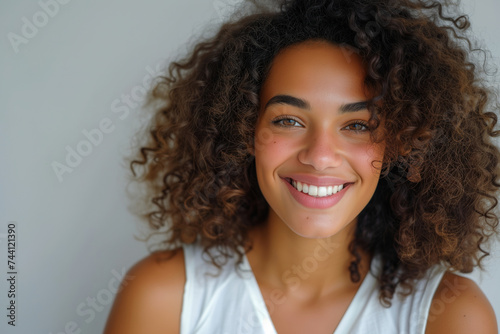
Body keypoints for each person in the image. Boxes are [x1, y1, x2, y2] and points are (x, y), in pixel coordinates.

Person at [104, 0, 500, 333]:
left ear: (402, 143)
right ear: (244, 130)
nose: (320, 155)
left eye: (358, 125)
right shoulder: (164, 298)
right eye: (288, 120)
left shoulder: (449, 316)